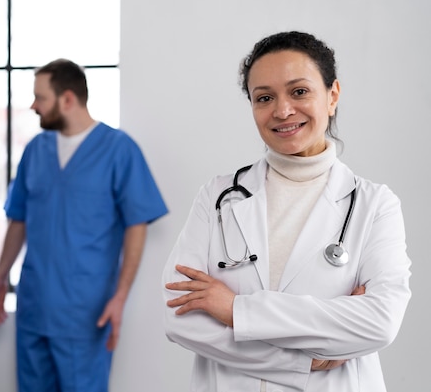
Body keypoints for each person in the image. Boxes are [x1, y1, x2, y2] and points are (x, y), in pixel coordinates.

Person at [162, 31, 411, 391]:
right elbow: (180, 317)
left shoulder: (375, 205)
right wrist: (304, 361)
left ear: (332, 96)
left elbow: (379, 322)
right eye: (264, 98)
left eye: (299, 91)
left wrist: (235, 310)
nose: (282, 110)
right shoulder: (218, 197)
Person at [0, 58, 168, 392]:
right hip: (34, 305)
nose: (33, 105)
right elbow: (18, 221)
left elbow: (136, 225)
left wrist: (120, 297)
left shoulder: (118, 150)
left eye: (40, 97)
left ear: (67, 99)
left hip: (86, 311)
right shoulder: (35, 151)